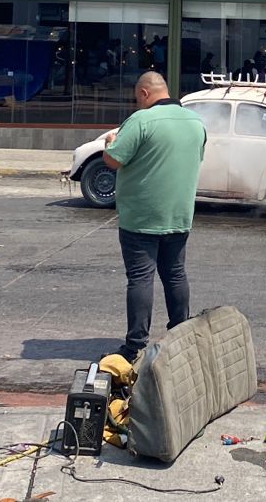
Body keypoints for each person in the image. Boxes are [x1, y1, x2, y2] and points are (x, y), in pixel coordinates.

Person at [102, 71, 208, 362]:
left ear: (145, 93)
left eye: (138, 97)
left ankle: (135, 344)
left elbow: (112, 160)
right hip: (179, 214)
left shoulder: (140, 121)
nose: (137, 103)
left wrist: (111, 140)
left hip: (141, 216)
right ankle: (181, 335)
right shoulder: (195, 122)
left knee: (140, 278)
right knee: (175, 274)